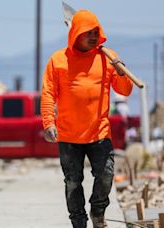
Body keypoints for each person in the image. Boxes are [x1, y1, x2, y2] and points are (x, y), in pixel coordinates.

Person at [41, 10, 133, 228]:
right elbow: (47, 93)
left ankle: (98, 212)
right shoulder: (58, 60)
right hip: (69, 134)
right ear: (75, 34)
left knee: (106, 175)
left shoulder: (107, 58)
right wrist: (48, 122)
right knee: (73, 182)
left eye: (96, 32)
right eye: (88, 32)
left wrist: (122, 72)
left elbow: (125, 90)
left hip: (99, 132)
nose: (93, 37)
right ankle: (79, 223)